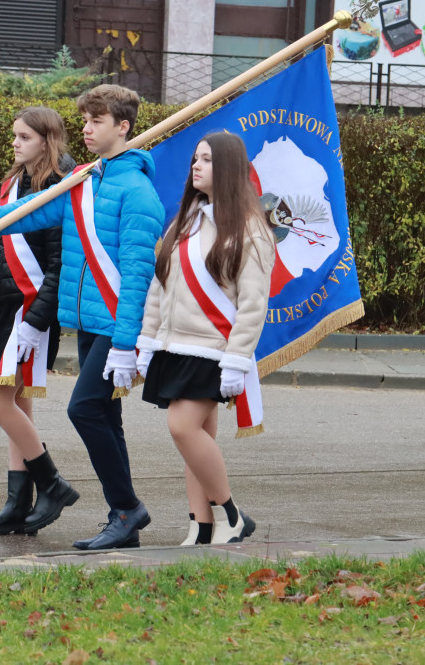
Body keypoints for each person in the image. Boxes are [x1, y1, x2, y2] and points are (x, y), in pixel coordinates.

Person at [0, 85, 165, 550]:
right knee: (106, 417)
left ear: (123, 127)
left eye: (96, 121)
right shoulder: (86, 179)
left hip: (118, 324)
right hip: (90, 320)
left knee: (83, 409)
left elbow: (139, 276)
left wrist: (126, 344)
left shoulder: (137, 191)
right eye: (84, 119)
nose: (85, 128)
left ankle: (127, 509)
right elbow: (29, 211)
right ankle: (124, 517)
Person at [136, 132, 274, 545]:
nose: (196, 166)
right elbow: (160, 287)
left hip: (212, 350)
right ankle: (201, 527)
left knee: (182, 427)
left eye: (207, 160)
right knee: (196, 439)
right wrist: (147, 340)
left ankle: (232, 515)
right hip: (173, 345)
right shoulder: (185, 220)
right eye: (195, 158)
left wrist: (237, 360)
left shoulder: (250, 230)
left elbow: (253, 304)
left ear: (228, 169)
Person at [0, 107, 78, 537]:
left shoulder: (58, 186)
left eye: (25, 137)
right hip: (6, 305)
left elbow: (57, 262)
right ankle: (17, 503)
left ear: (48, 140)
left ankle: (52, 484)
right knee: (19, 404)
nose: (15, 143)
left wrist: (36, 319)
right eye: (15, 135)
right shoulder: (14, 181)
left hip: (31, 309)